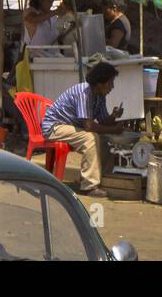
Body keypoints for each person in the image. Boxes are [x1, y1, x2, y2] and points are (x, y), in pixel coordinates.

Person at [41, 62, 123, 196]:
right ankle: (89, 186)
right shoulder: (83, 93)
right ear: (99, 83)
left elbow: (103, 121)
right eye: (110, 83)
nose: (112, 87)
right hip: (54, 127)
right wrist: (114, 130)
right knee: (90, 138)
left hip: (71, 127)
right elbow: (89, 126)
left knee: (105, 140)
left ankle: (103, 180)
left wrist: (114, 116)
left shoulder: (100, 96)